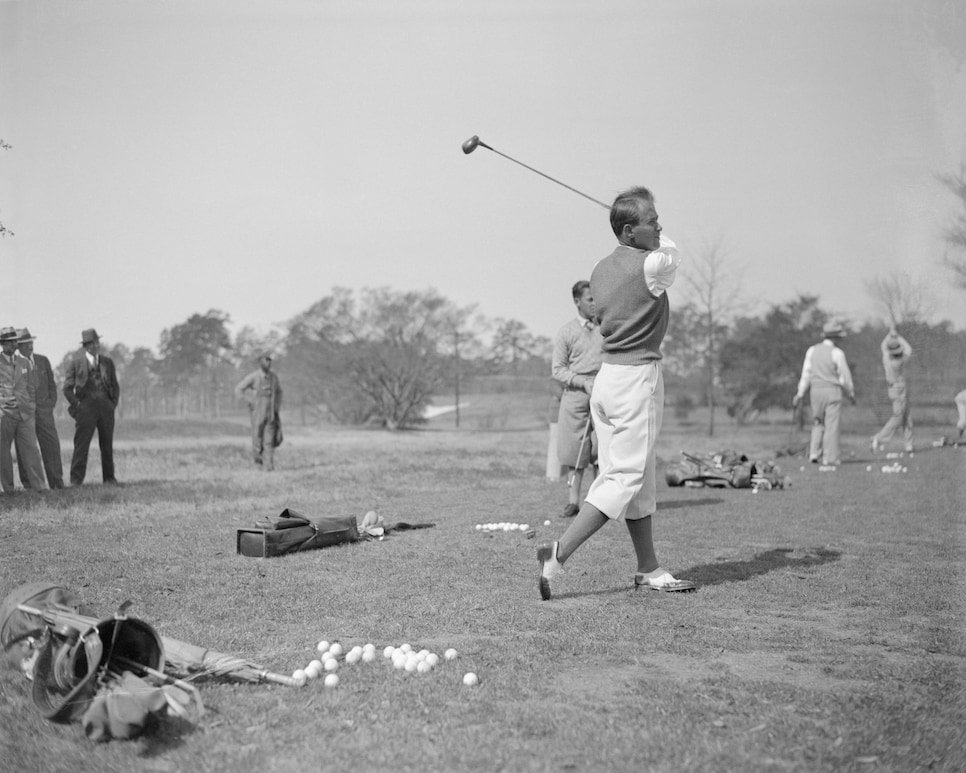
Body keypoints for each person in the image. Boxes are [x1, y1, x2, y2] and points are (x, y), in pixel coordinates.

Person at [537, 186, 696, 600]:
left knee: (637, 477)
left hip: (607, 379)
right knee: (622, 478)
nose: (659, 226)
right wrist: (655, 237)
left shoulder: (599, 267)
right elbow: (674, 252)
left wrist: (634, 229)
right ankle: (558, 553)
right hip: (636, 379)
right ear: (628, 231)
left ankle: (649, 567)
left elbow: (650, 246)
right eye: (651, 220)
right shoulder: (651, 265)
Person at [551, 280, 602, 517]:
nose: (594, 304)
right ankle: (574, 501)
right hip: (575, 396)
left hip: (603, 393)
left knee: (602, 449)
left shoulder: (606, 328)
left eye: (596, 299)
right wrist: (583, 382)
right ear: (577, 301)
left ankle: (601, 503)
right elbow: (558, 369)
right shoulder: (566, 332)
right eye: (590, 299)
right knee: (575, 451)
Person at [793, 322, 855, 467]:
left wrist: (800, 393)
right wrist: (851, 393)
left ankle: (814, 453)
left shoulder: (812, 350)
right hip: (832, 391)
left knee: (818, 422)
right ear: (835, 338)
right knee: (831, 425)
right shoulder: (837, 353)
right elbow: (845, 377)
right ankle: (830, 457)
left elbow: (806, 374)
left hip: (815, 391)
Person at [63, 328, 120, 485]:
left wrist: (112, 404)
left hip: (106, 408)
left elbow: (115, 385)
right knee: (81, 445)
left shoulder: (107, 362)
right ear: (85, 346)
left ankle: (109, 478)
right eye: (92, 344)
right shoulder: (76, 363)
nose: (96, 346)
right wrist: (78, 405)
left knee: (107, 444)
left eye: (97, 343)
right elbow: (67, 388)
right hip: (85, 409)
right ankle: (76, 480)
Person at [0, 326, 47, 492]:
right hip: (5, 415)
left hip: (25, 414)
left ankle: (39, 487)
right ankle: (8, 489)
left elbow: (33, 387)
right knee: (3, 453)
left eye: (14, 341)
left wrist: (31, 406)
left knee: (32, 450)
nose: (13, 344)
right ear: (2, 344)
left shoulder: (25, 362)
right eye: (9, 342)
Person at [16, 328, 64, 489]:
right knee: (25, 449)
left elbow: (52, 385)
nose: (30, 346)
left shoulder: (43, 360)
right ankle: (30, 486)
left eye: (31, 342)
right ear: (18, 346)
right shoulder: (13, 364)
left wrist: (50, 403)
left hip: (45, 412)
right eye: (25, 344)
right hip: (24, 414)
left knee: (51, 446)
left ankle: (57, 483)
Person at [235, 352, 283, 471]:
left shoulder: (274, 377)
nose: (268, 363)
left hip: (271, 414)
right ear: (260, 362)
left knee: (269, 441)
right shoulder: (254, 377)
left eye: (270, 360)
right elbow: (239, 389)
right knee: (257, 440)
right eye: (266, 360)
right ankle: (258, 464)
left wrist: (277, 406)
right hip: (257, 414)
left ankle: (269, 467)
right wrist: (250, 401)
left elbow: (279, 392)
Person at [870, 327, 913, 454]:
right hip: (899, 390)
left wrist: (889, 335)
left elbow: (883, 346)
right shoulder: (900, 361)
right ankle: (879, 438)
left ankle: (909, 444)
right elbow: (909, 349)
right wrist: (898, 336)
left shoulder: (887, 360)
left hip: (893, 389)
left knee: (907, 416)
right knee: (899, 417)